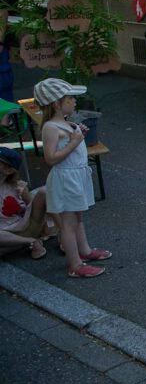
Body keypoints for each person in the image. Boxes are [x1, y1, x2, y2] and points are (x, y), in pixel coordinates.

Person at [36, 78, 111, 278]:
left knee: (78, 218)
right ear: (56, 104)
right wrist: (75, 141)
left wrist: (77, 135)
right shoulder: (51, 127)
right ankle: (75, 264)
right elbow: (50, 158)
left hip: (75, 175)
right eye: (70, 98)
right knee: (68, 223)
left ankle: (85, 250)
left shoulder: (65, 123)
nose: (74, 101)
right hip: (65, 178)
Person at [0, 147, 50, 260]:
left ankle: (63, 236)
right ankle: (30, 242)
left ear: (9, 170)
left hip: (24, 226)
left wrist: (23, 201)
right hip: (4, 234)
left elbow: (32, 207)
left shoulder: (18, 186)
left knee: (44, 191)